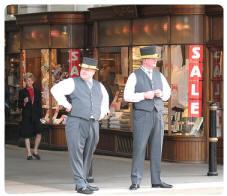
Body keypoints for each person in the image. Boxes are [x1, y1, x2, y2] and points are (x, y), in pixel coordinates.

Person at [51, 57, 109, 194]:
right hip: (76, 121)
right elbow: (55, 90)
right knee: (76, 153)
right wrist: (66, 105)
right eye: (83, 68)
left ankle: (83, 182)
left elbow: (105, 102)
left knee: (88, 153)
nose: (84, 71)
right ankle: (80, 184)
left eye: (88, 70)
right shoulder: (72, 82)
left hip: (93, 123)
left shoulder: (99, 86)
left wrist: (102, 113)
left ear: (94, 72)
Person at [124, 46, 172, 190]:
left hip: (157, 114)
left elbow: (168, 93)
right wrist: (144, 95)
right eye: (153, 58)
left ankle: (156, 180)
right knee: (139, 147)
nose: (155, 60)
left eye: (155, 58)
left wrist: (160, 94)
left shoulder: (159, 75)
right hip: (142, 114)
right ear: (145, 60)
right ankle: (136, 181)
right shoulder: (134, 75)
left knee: (157, 147)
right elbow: (127, 96)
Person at [18, 72, 43, 160]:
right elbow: (19, 105)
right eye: (26, 81)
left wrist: (42, 116)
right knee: (27, 135)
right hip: (27, 115)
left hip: (36, 115)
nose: (28, 82)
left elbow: (39, 104)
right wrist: (24, 102)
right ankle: (29, 153)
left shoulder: (37, 91)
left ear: (33, 81)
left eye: (29, 80)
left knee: (39, 133)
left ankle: (35, 151)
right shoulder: (22, 92)